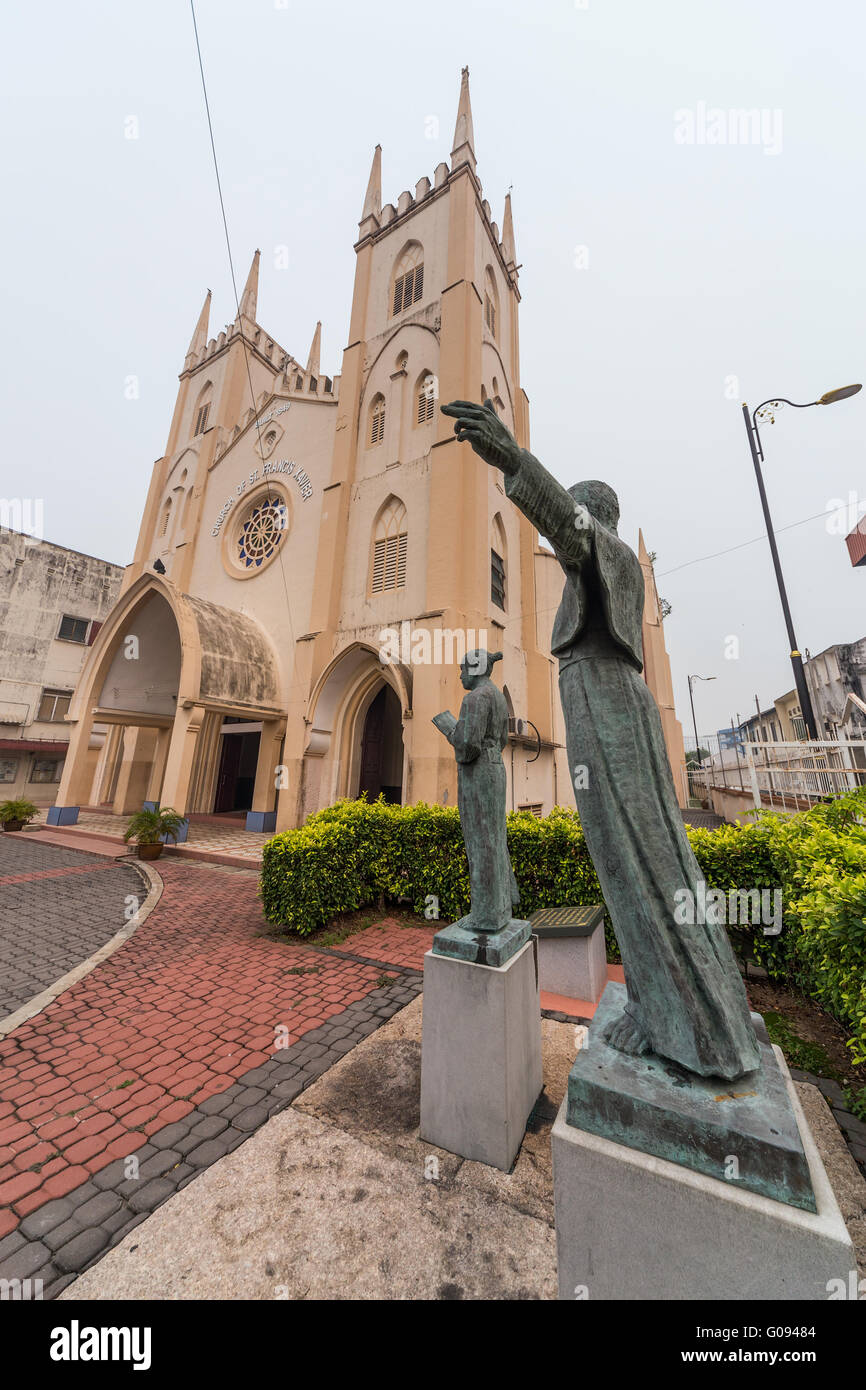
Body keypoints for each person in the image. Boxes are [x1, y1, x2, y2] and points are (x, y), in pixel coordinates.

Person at [441, 399, 760, 1081]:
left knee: (637, 853)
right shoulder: (607, 566)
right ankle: (671, 1009)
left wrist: (513, 459)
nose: (562, 539)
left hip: (604, 698)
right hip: (602, 697)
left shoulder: (604, 549)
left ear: (590, 513)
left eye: (571, 513)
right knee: (629, 857)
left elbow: (572, 531)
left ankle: (699, 1027)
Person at [434, 649, 520, 933]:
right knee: (494, 838)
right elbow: (503, 740)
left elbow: (468, 746)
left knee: (480, 842)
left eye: (462, 669)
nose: (460, 675)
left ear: (475, 668)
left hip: (478, 773)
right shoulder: (496, 696)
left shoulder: (475, 698)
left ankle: (485, 915)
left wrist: (449, 728)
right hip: (495, 769)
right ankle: (500, 908)